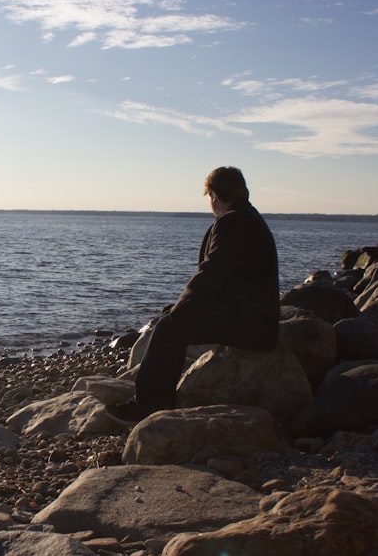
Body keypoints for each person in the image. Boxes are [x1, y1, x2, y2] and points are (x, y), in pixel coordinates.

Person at [108, 166, 280, 424]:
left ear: (213, 195)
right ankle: (158, 397)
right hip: (255, 319)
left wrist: (183, 306)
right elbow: (228, 278)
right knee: (174, 316)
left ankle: (147, 405)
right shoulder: (246, 217)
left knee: (170, 326)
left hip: (252, 326)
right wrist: (182, 307)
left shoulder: (233, 222)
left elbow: (212, 273)